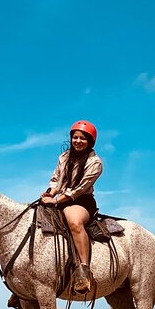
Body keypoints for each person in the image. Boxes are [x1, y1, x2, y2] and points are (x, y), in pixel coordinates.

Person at [40, 119, 103, 294]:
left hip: (81, 201)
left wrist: (56, 201)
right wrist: (50, 193)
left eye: (82, 138)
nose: (78, 141)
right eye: (75, 137)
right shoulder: (64, 157)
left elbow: (80, 189)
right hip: (60, 198)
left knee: (74, 222)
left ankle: (84, 270)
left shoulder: (95, 162)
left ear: (90, 141)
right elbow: (56, 179)